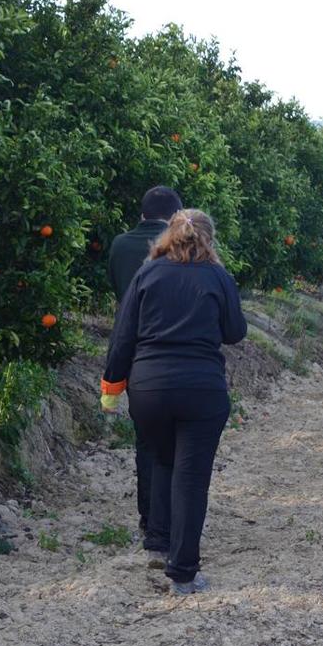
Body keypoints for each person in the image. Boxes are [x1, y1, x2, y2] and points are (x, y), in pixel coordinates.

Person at [100, 209, 247, 595]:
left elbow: (123, 335)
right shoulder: (217, 276)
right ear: (208, 239)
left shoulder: (147, 273)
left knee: (161, 459)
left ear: (168, 236)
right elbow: (235, 332)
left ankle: (158, 541)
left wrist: (111, 386)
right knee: (191, 476)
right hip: (201, 389)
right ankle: (182, 572)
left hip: (149, 390)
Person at [106, 186, 183, 544]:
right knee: (177, 441)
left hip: (133, 349)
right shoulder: (182, 245)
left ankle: (148, 516)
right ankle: (169, 518)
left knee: (146, 440)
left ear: (141, 214)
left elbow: (115, 289)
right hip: (172, 347)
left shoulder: (120, 245)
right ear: (174, 218)